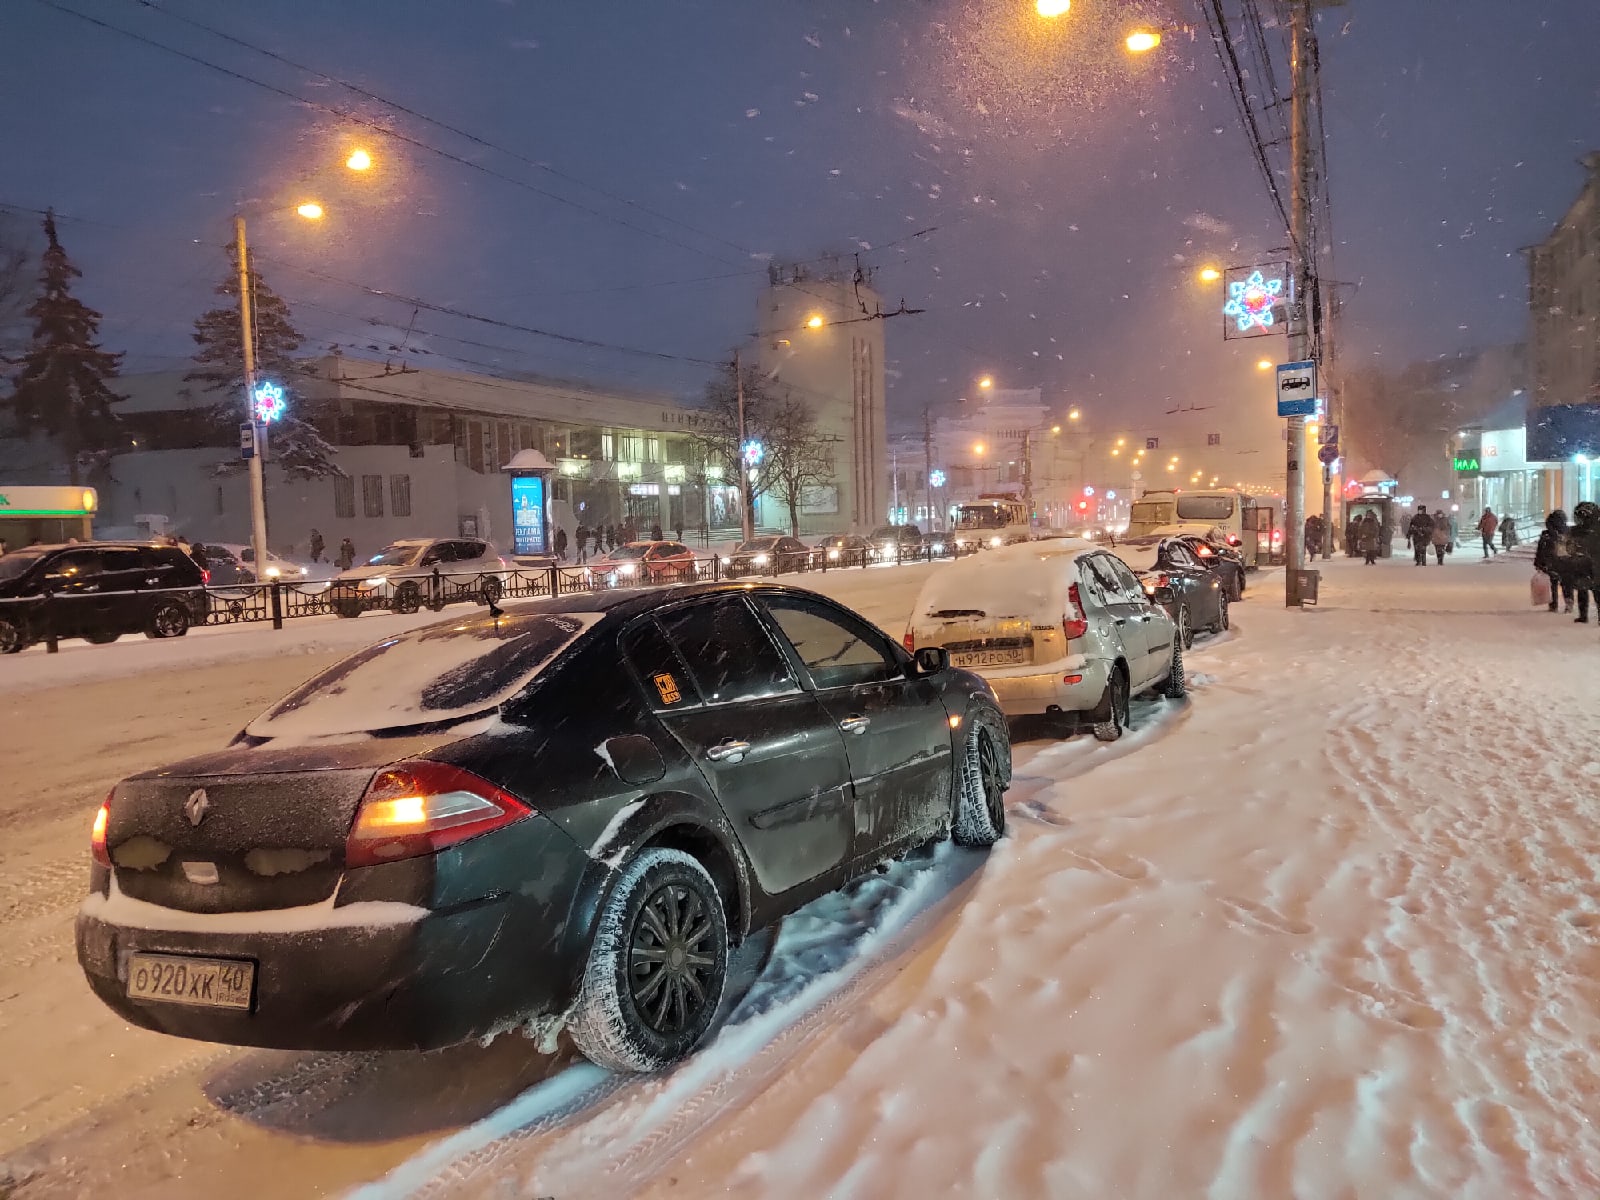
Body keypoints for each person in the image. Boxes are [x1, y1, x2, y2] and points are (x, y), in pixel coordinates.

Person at [1534, 510, 1574, 614]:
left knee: (1553, 584)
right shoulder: (1569, 533)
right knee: (1566, 584)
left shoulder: (1547, 534)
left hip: (1551, 563)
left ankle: (1553, 605)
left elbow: (1541, 550)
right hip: (1566, 562)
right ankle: (1568, 603)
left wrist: (1538, 563)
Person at [1568, 501, 1600, 623]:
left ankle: (1585, 615)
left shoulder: (1578, 531)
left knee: (1592, 590)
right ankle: (1584, 615)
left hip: (1589, 563)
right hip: (1585, 563)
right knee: (1586, 590)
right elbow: (1570, 547)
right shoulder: (1576, 531)